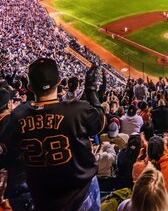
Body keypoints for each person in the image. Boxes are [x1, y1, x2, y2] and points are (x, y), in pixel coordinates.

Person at [9, 59, 106, 211]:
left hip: (43, 198)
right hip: (80, 194)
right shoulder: (77, 110)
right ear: (59, 81)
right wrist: (91, 89)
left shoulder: (16, 116)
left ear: (30, 87)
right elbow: (100, 122)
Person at [132, 135, 168, 202]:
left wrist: (141, 153)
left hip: (146, 207)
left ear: (147, 151)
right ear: (163, 150)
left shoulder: (138, 167)